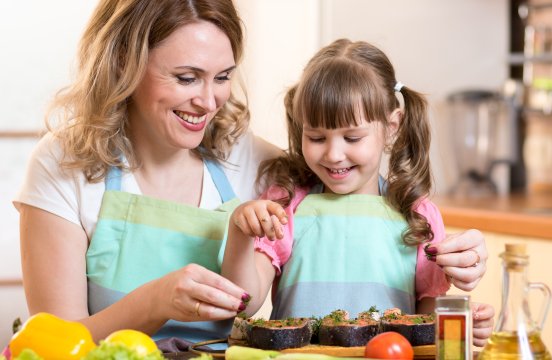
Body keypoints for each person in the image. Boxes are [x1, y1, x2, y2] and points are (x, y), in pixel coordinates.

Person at [14, 0, 282, 344]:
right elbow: (54, 345)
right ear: (125, 61)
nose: (209, 101)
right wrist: (155, 302)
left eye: (222, 77)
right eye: (187, 78)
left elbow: (344, 177)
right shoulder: (63, 163)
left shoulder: (247, 156)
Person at [221, 38, 494, 346]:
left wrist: (461, 324)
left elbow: (425, 326)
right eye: (316, 136)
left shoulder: (416, 216)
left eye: (352, 138)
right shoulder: (285, 204)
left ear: (392, 126)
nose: (334, 154)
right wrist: (240, 232)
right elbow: (247, 300)